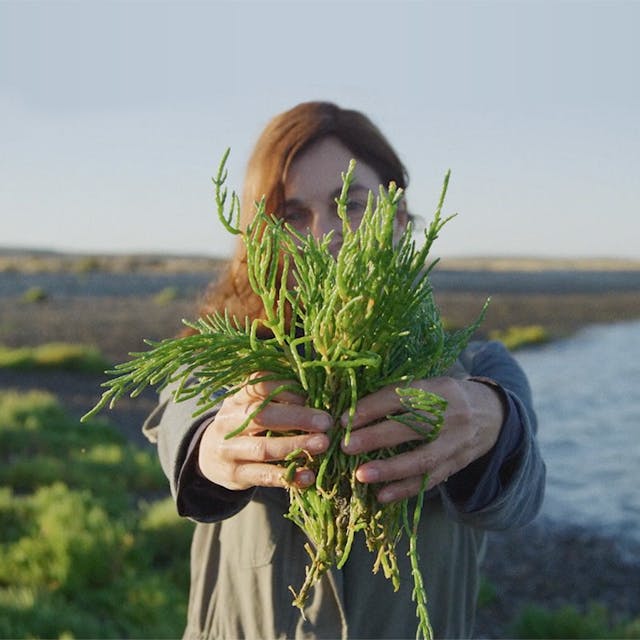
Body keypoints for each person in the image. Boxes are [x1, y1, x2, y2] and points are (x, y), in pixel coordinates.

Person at [143, 101, 545, 639]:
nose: (323, 234)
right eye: (291, 214)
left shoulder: (475, 369)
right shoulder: (226, 358)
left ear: (399, 219)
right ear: (260, 235)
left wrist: (495, 421)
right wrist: (212, 446)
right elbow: (184, 416)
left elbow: (522, 495)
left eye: (350, 204)